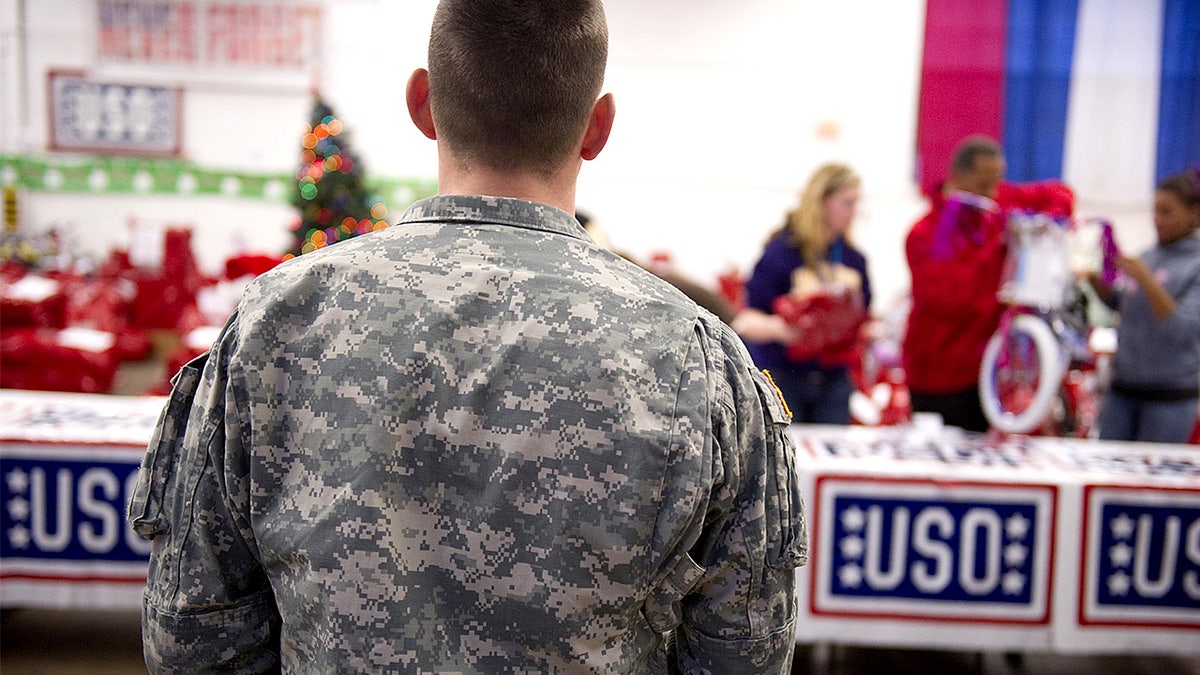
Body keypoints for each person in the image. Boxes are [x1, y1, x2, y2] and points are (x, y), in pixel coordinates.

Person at [128, 1, 806, 672]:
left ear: (422, 101)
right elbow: (743, 651)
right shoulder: (698, 359)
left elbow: (194, 639)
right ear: (598, 127)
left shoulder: (276, 323)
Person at [902, 136, 1073, 432]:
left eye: (997, 181)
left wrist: (1046, 223)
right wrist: (995, 247)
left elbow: (1061, 194)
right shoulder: (925, 234)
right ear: (956, 178)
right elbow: (950, 301)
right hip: (936, 374)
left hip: (986, 373)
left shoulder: (997, 202)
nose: (993, 192)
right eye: (983, 184)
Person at [734, 163, 871, 423]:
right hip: (784, 377)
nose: (853, 213)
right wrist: (786, 330)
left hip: (833, 381)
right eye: (846, 203)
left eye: (856, 205)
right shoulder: (782, 254)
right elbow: (745, 320)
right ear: (821, 201)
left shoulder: (854, 261)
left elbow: (864, 319)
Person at [1091, 169, 1200, 443]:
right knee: (1107, 477)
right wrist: (1094, 280)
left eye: (1167, 212)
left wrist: (1146, 280)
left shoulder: (1194, 266)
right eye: (1154, 211)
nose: (1157, 220)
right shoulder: (1147, 257)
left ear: (1194, 213)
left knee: (1151, 484)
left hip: (1168, 398)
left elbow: (1183, 329)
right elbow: (1122, 305)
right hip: (1122, 392)